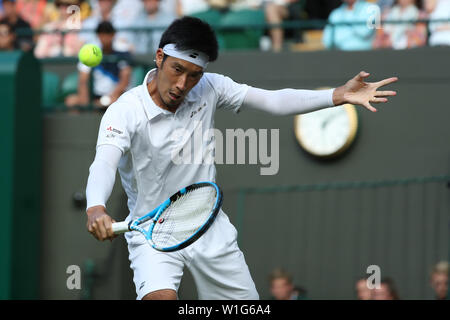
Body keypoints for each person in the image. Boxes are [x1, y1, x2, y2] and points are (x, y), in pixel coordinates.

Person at [84, 16, 398, 300]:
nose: (183, 84)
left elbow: (274, 101)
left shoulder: (210, 87)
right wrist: (96, 206)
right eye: (177, 69)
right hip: (151, 231)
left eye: (194, 75)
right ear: (160, 57)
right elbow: (104, 162)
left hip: (207, 226)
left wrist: (337, 95)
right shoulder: (124, 111)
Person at [65, 21, 132, 109]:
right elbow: (83, 80)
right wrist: (87, 103)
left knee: (117, 102)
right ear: (98, 36)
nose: (105, 38)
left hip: (116, 97)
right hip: (95, 96)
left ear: (113, 35)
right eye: (102, 34)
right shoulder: (89, 52)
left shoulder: (123, 52)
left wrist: (109, 98)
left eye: (108, 33)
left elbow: (124, 80)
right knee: (71, 101)